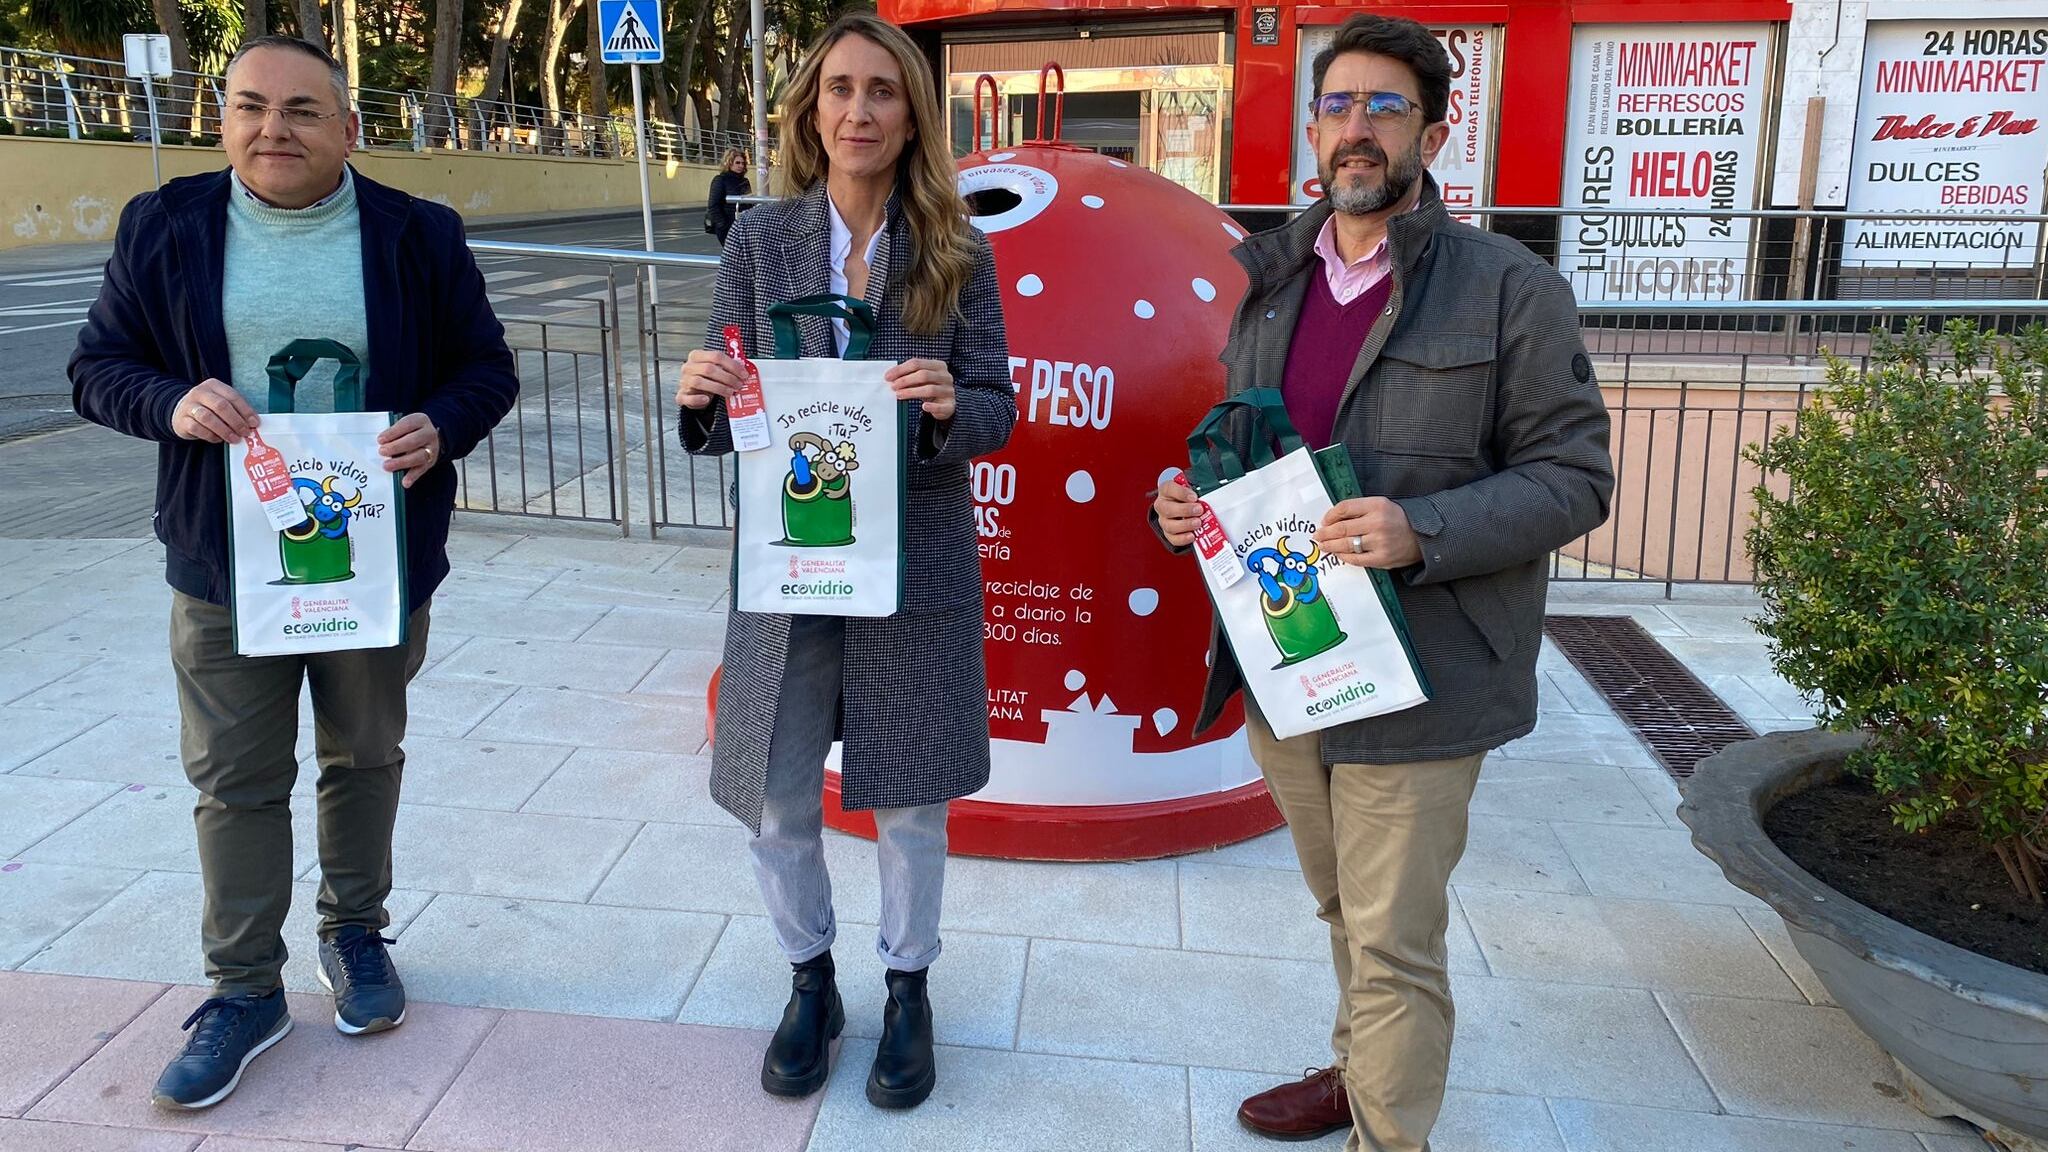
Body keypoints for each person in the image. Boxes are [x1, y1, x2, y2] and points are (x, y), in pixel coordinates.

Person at [1151, 14, 1613, 1152]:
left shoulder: (1509, 288)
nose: (1355, 130)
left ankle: (1385, 1133)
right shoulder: (1268, 279)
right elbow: (1253, 452)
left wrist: (1423, 530)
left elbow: (1575, 476)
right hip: (1288, 657)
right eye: (1337, 106)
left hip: (1427, 677)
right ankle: (1359, 1067)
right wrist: (1192, 508)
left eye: (1384, 108)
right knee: (1340, 906)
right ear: (1311, 127)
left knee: (1395, 940)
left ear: (1434, 133)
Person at [69, 35, 517, 1112]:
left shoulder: (418, 235)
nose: (274, 129)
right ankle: (242, 989)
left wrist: (440, 427)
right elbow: (98, 367)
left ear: (349, 129)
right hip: (224, 565)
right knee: (235, 778)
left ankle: (356, 933)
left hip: (374, 559)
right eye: (250, 107)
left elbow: (485, 368)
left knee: (363, 754)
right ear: (220, 119)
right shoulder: (166, 226)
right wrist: (170, 403)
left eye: (304, 110)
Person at [674, 12, 1014, 1112]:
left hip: (912, 564)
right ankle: (810, 979)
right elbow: (728, 386)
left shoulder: (957, 246)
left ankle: (908, 987)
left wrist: (954, 406)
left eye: (880, 90)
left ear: (912, 112)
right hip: (788, 566)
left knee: (911, 798)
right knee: (776, 797)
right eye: (837, 90)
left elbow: (999, 409)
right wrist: (703, 401)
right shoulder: (761, 239)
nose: (857, 110)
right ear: (809, 110)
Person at [707, 147, 753, 245]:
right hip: (727, 227)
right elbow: (713, 205)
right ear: (729, 163)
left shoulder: (745, 181)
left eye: (743, 163)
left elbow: (749, 203)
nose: (741, 166)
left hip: (744, 226)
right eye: (737, 163)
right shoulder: (720, 180)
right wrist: (724, 225)